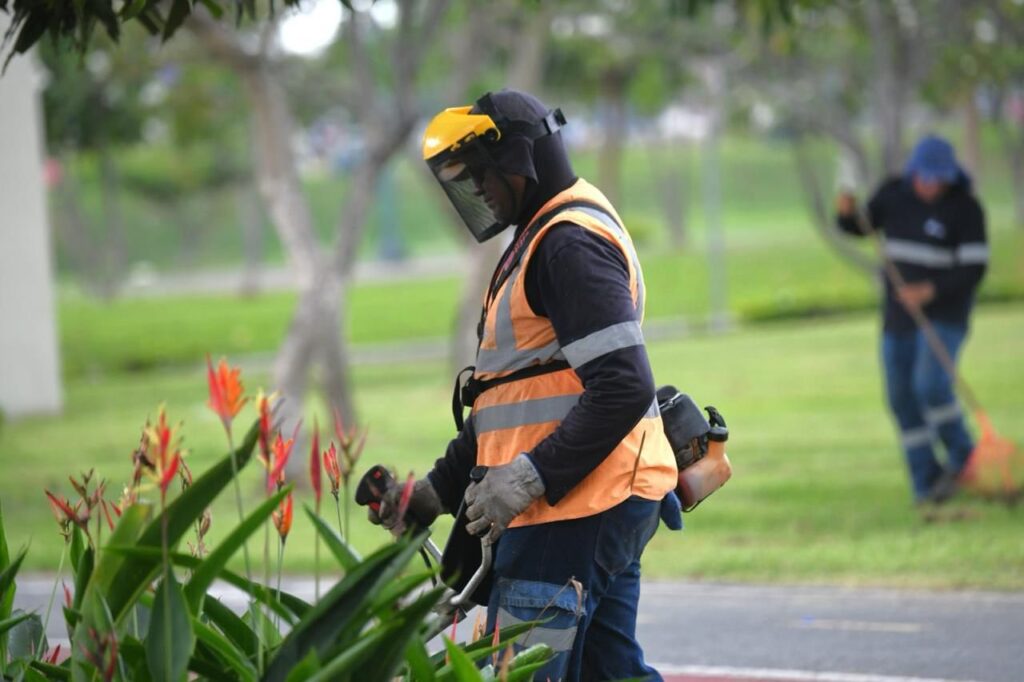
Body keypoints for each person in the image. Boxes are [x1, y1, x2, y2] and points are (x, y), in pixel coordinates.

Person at [369, 89, 679, 681]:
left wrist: (533, 476)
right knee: (608, 674)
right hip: (595, 500)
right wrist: (435, 491)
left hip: (576, 507)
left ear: (518, 158)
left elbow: (623, 385)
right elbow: (509, 400)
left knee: (521, 673)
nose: (479, 191)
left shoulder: (567, 243)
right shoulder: (541, 235)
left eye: (481, 175)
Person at [836, 134, 988, 507]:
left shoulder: (966, 209)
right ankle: (928, 481)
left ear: (950, 177)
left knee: (930, 385)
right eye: (924, 176)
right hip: (898, 317)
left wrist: (930, 291)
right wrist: (845, 214)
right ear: (913, 173)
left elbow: (973, 268)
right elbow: (862, 226)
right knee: (902, 398)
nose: (930, 185)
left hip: (945, 315)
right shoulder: (893, 193)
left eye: (938, 178)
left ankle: (964, 457)